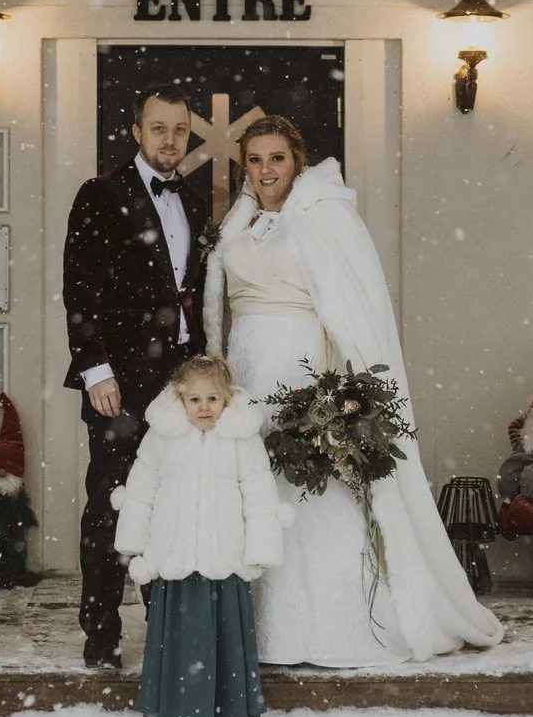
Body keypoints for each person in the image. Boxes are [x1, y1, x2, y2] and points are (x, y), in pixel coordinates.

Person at [206, 113, 505, 666]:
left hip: (300, 365)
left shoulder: (326, 216)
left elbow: (351, 305)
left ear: (297, 161)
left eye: (277, 158)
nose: (266, 170)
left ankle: (334, 627)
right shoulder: (238, 222)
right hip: (246, 369)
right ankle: (258, 630)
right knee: (255, 491)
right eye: (255, 160)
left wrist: (336, 389)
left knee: (310, 491)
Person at [62, 84, 210, 668]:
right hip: (118, 385)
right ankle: (101, 636)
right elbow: (80, 290)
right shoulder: (101, 194)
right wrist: (95, 369)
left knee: (169, 506)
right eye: (159, 128)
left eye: (180, 130)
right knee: (111, 506)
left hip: (178, 386)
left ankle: (164, 629)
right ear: (136, 132)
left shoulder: (193, 202)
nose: (170, 140)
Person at [113, 355, 284, 717]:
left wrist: (260, 548)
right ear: (180, 399)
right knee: (183, 642)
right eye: (195, 400)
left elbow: (259, 494)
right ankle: (184, 716)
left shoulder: (241, 440)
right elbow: (141, 491)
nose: (204, 407)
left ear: (227, 399)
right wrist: (134, 542)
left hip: (225, 556)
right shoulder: (162, 438)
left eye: (213, 399)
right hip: (176, 557)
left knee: (226, 641)